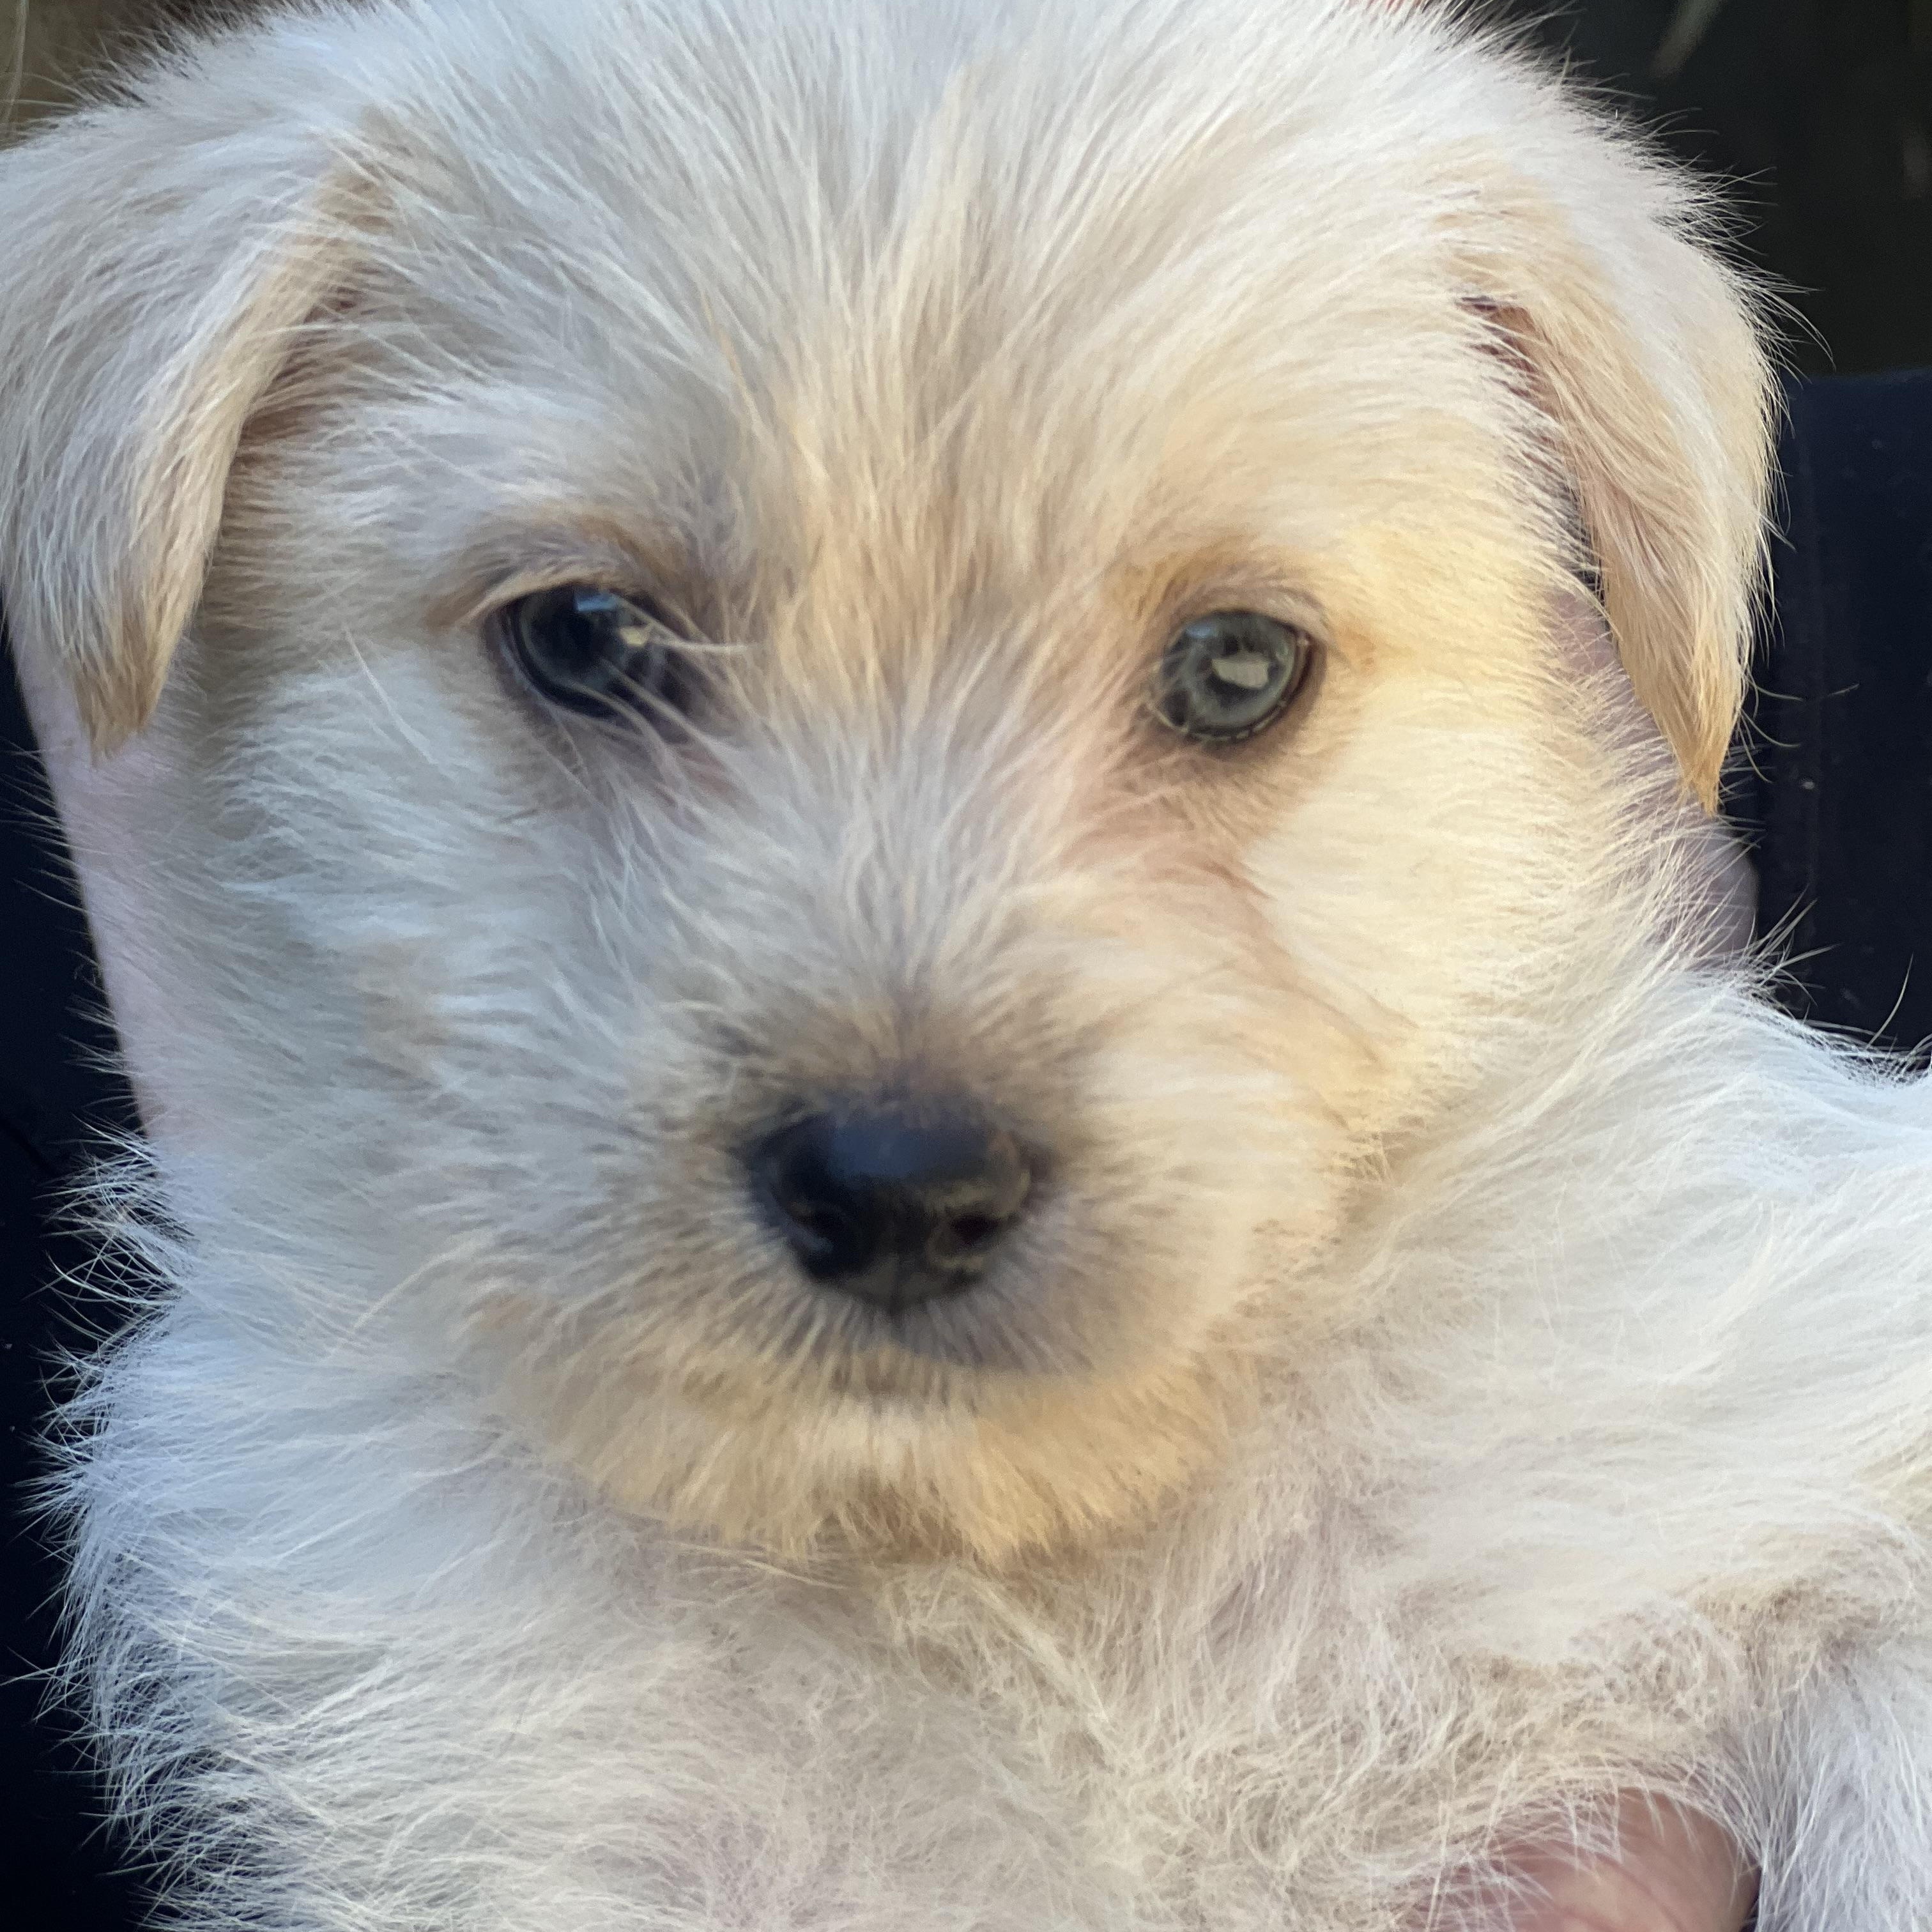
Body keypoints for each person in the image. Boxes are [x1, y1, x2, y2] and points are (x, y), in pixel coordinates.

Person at [6, 369, 1929, 1924]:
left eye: (1226, 675)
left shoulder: (1688, 1291)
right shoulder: (379, 1552)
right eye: (589, 646)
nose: (900, 1097)